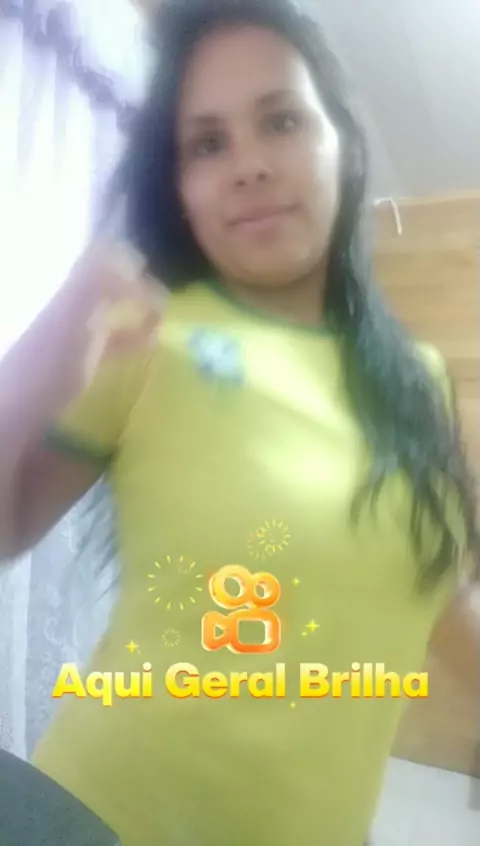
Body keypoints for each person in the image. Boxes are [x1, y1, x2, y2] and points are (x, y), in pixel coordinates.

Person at [0, 0, 478, 844]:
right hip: (98, 825)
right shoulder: (147, 331)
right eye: (208, 143)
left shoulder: (419, 383)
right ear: (180, 187)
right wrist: (31, 372)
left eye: (281, 120)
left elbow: (437, 589)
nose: (249, 165)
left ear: (343, 144)